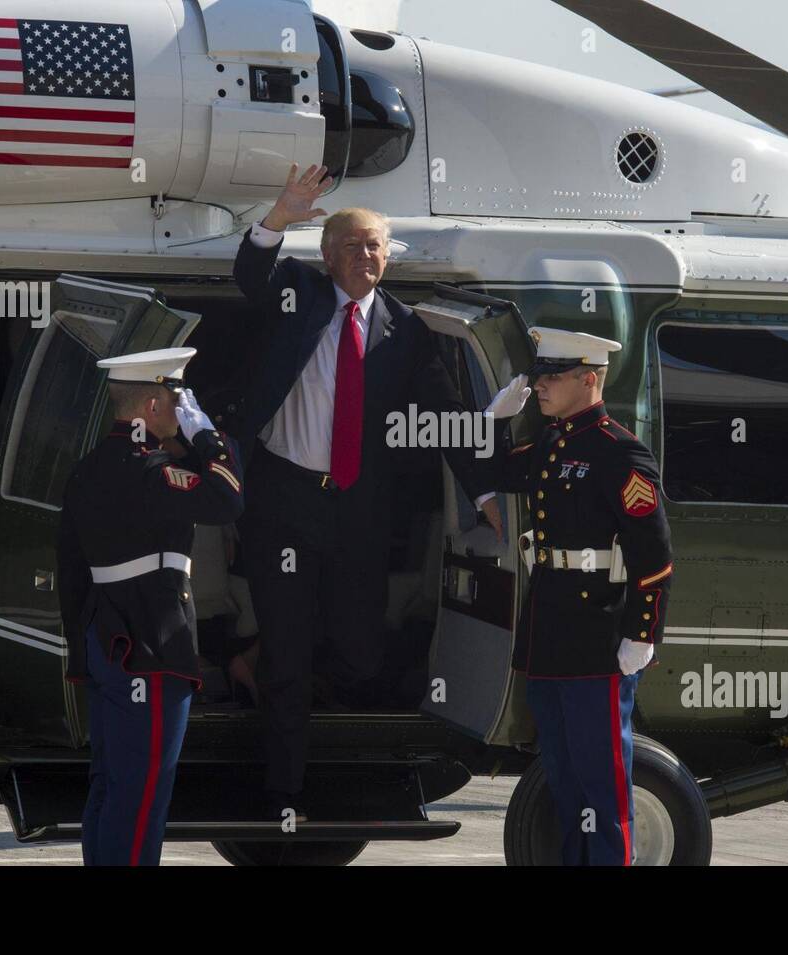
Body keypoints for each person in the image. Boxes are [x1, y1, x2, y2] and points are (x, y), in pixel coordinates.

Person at [231, 163, 500, 818]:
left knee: (359, 646)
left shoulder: (406, 330)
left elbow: (447, 416)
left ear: (388, 257)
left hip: (358, 507)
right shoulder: (299, 294)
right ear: (327, 257)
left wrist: (489, 493)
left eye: (374, 245)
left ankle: (256, 662)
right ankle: (284, 792)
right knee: (292, 652)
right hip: (287, 500)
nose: (364, 255)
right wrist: (279, 216)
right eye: (350, 245)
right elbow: (250, 277)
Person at [481, 327, 674, 866]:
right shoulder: (553, 442)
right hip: (552, 634)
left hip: (597, 636)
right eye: (539, 375)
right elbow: (497, 472)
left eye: (552, 376)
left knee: (602, 782)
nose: (540, 385)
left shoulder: (620, 453)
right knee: (564, 779)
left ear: (589, 379)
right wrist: (496, 422)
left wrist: (642, 635)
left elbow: (653, 557)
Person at [56, 347, 244, 866]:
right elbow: (228, 498)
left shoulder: (87, 471)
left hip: (104, 644)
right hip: (152, 649)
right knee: (141, 801)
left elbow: (71, 575)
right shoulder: (153, 471)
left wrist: (84, 648)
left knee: (110, 788)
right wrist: (207, 435)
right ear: (156, 406)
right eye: (176, 400)